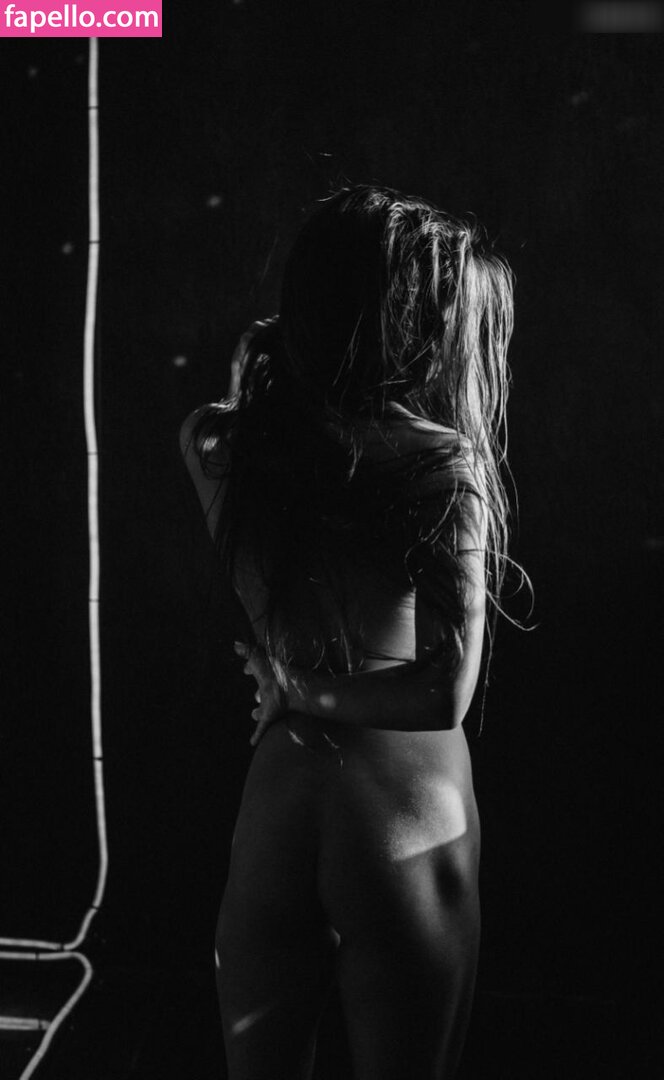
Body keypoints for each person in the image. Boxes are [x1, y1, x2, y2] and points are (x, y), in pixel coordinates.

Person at [180, 184, 516, 1080]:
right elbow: (443, 693)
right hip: (402, 813)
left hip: (279, 801)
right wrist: (305, 690)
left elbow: (251, 393)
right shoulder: (443, 465)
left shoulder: (216, 444)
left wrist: (291, 690)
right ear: (414, 328)